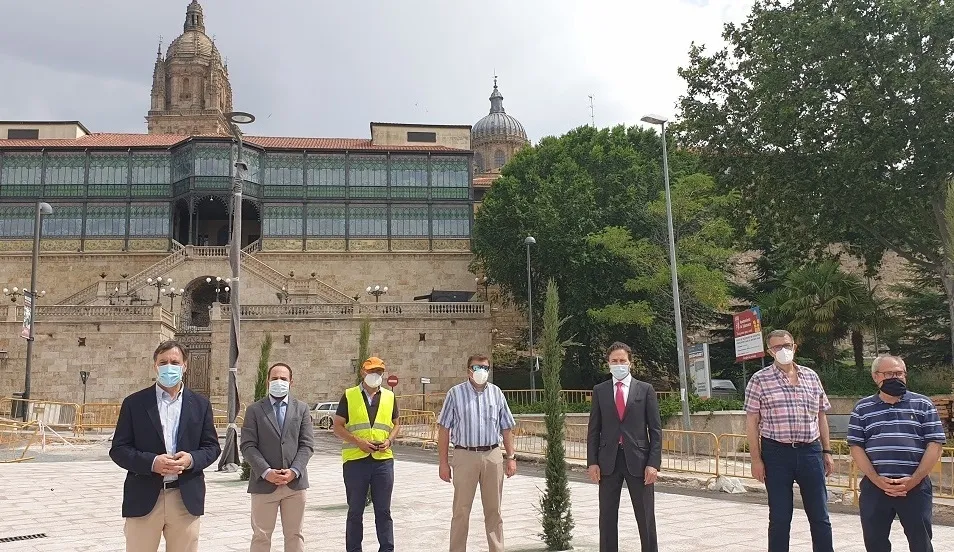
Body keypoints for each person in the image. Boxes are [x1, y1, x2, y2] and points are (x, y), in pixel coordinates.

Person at [109, 340, 221, 552]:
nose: (169, 367)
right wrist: (152, 462)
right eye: (163, 362)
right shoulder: (134, 403)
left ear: (184, 366)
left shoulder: (200, 404)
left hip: (184, 498)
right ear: (155, 366)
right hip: (144, 498)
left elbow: (212, 447)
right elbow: (119, 449)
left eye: (174, 362)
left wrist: (191, 460)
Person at [744, 329, 834, 552]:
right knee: (780, 517)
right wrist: (756, 460)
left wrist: (827, 451)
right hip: (776, 454)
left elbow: (821, 415)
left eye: (786, 345)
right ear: (769, 351)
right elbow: (752, 422)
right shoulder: (759, 380)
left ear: (795, 346)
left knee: (820, 515)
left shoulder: (811, 377)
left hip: (810, 452)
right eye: (777, 347)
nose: (783, 350)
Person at [848, 355, 946, 552]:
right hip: (875, 488)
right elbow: (856, 447)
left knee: (921, 543)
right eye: (889, 374)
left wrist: (914, 480)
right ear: (876, 376)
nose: (896, 378)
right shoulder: (862, 408)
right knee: (875, 543)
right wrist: (877, 479)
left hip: (915, 487)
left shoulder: (923, 404)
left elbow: (935, 444)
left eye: (899, 373)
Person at [437, 354, 517, 552]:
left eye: (485, 368)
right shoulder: (455, 394)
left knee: (494, 510)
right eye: (477, 367)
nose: (482, 371)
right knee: (461, 510)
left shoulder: (496, 393)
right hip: (465, 455)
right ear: (468, 371)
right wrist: (443, 463)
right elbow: (444, 429)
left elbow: (506, 427)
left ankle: (497, 549)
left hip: (492, 455)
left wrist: (511, 457)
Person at [586, 342, 662, 552]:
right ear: (608, 363)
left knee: (645, 516)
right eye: (614, 361)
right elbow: (594, 429)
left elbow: (655, 430)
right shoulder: (600, 391)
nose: (618, 364)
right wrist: (592, 462)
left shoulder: (645, 390)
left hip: (639, 461)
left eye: (622, 361)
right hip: (608, 461)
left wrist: (653, 463)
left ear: (630, 363)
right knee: (607, 517)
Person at [241, 362, 315, 552]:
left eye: (283, 378)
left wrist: (294, 471)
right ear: (267, 381)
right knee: (261, 536)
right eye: (274, 378)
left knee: (295, 535)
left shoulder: (302, 409)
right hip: (264, 484)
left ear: (291, 382)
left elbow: (307, 444)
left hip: (295, 485)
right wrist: (266, 472)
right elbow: (248, 445)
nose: (279, 382)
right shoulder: (255, 410)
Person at [332, 357, 401, 552]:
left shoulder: (389, 396)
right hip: (355, 461)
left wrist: (389, 440)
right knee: (355, 511)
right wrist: (358, 442)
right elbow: (337, 427)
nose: (375, 375)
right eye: (371, 371)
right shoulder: (349, 395)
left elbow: (397, 424)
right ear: (363, 372)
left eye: (379, 372)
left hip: (383, 461)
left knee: (384, 511)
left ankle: (387, 549)